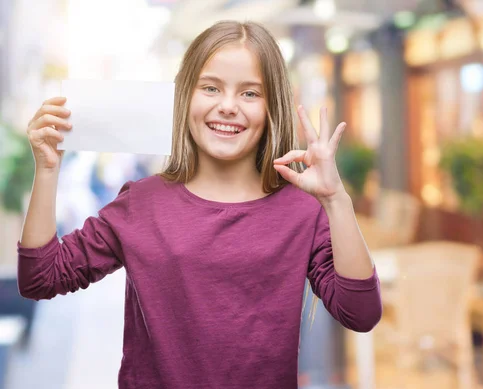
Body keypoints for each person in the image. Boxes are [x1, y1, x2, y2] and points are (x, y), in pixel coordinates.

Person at [17, 21, 382, 389]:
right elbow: (41, 278)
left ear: (272, 106)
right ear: (185, 96)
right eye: (211, 88)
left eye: (250, 94)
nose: (227, 106)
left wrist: (336, 200)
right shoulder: (142, 203)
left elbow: (360, 313)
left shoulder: (301, 211)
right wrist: (47, 170)